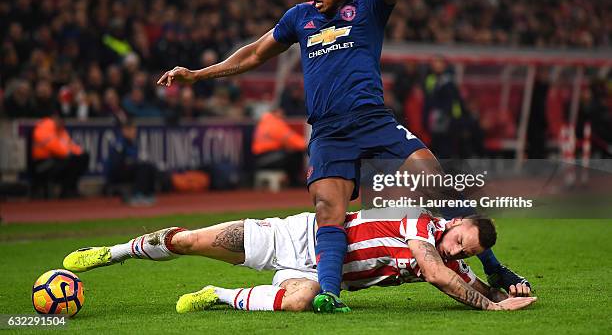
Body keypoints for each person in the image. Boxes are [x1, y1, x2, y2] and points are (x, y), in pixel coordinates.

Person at [157, 0, 528, 312]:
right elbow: (254, 52)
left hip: (374, 122)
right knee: (329, 212)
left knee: (439, 184)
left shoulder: (368, 5)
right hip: (329, 132)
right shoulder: (299, 17)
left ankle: (495, 268)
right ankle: (330, 295)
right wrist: (199, 73)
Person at [63, 209, 536, 313]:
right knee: (188, 241)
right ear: (452, 223)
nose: (455, 252)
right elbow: (436, 273)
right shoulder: (421, 223)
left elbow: (464, 281)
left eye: (465, 252)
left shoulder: (454, 260)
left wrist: (512, 292)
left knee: (298, 303)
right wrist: (491, 306)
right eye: (459, 240)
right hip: (294, 236)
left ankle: (217, 296)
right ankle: (115, 253)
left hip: (312, 273)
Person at [30, 111, 89, 198]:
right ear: (55, 118)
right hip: (41, 164)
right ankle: (65, 190)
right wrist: (70, 153)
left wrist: (80, 152)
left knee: (83, 157)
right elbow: (56, 148)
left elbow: (70, 145)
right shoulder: (44, 127)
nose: (62, 123)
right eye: (60, 120)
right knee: (70, 159)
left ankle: (69, 189)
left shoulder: (61, 130)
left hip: (55, 160)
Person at [104, 118, 157, 205]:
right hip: (117, 173)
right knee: (141, 167)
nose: (134, 132)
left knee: (148, 166)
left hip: (129, 170)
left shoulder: (132, 143)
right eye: (131, 129)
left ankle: (147, 193)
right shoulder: (119, 143)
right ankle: (137, 194)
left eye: (134, 129)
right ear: (124, 130)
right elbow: (117, 164)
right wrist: (131, 162)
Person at [252, 107, 306, 187]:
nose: (283, 115)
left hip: (260, 157)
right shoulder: (274, 123)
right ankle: (294, 182)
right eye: (281, 113)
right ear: (276, 113)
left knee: (290, 153)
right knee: (294, 154)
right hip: (265, 158)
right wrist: (307, 144)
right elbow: (291, 139)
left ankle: (293, 180)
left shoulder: (264, 122)